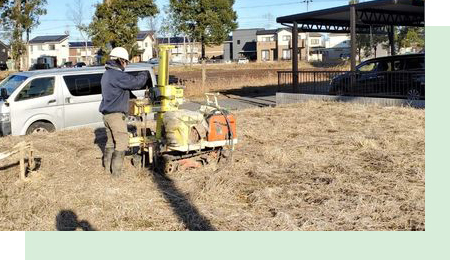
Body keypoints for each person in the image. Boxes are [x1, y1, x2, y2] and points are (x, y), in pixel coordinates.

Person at [99, 47, 148, 177]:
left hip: (107, 116)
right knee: (121, 144)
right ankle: (116, 175)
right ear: (120, 60)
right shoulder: (117, 75)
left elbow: (121, 90)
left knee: (111, 143)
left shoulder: (107, 74)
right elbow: (137, 82)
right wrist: (145, 72)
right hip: (116, 116)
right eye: (126, 62)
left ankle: (106, 169)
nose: (126, 65)